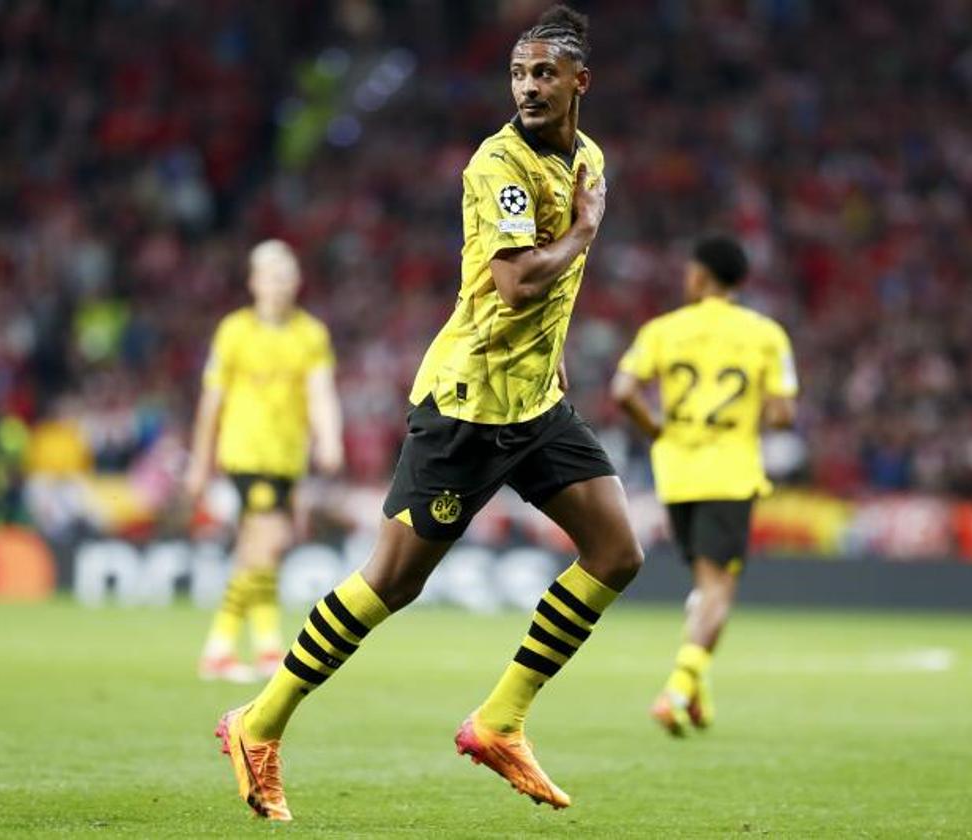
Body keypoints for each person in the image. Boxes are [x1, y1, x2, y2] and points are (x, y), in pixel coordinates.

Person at [214, 5, 643, 822]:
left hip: (537, 404)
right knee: (392, 582)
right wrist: (585, 230)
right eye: (519, 73)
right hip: (467, 406)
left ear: (580, 82)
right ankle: (257, 723)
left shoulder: (587, 155)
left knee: (617, 552)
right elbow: (516, 281)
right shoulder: (497, 165)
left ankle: (499, 720)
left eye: (544, 73)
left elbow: (543, 294)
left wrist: (564, 301)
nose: (527, 86)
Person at [611, 233, 799, 737]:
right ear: (741, 281)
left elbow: (623, 390)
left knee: (703, 587)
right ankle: (677, 687)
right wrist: (749, 414)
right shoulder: (767, 335)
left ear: (697, 276)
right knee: (719, 591)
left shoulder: (663, 330)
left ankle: (696, 692)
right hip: (730, 474)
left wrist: (655, 430)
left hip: (676, 473)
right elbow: (783, 415)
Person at [185, 240, 344, 682]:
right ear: (254, 282)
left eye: (287, 277)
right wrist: (200, 460)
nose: (279, 286)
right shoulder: (233, 332)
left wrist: (329, 438)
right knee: (267, 541)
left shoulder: (310, 334)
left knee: (258, 551)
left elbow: (320, 391)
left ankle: (242, 647)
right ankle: (247, 649)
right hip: (245, 452)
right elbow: (211, 401)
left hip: (287, 457)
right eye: (271, 277)